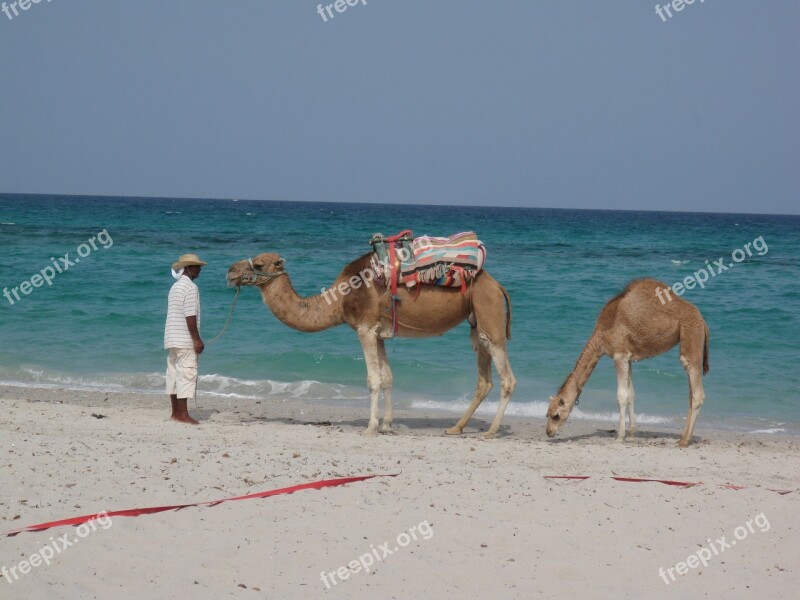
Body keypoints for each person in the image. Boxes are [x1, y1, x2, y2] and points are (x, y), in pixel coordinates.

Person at [164, 253, 207, 424]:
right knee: (186, 374)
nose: (200, 270)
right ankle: (183, 415)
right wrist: (196, 339)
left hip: (172, 337)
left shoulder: (175, 287)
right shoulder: (190, 288)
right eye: (197, 267)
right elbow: (190, 315)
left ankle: (176, 413)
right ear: (189, 268)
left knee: (174, 374)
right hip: (184, 339)